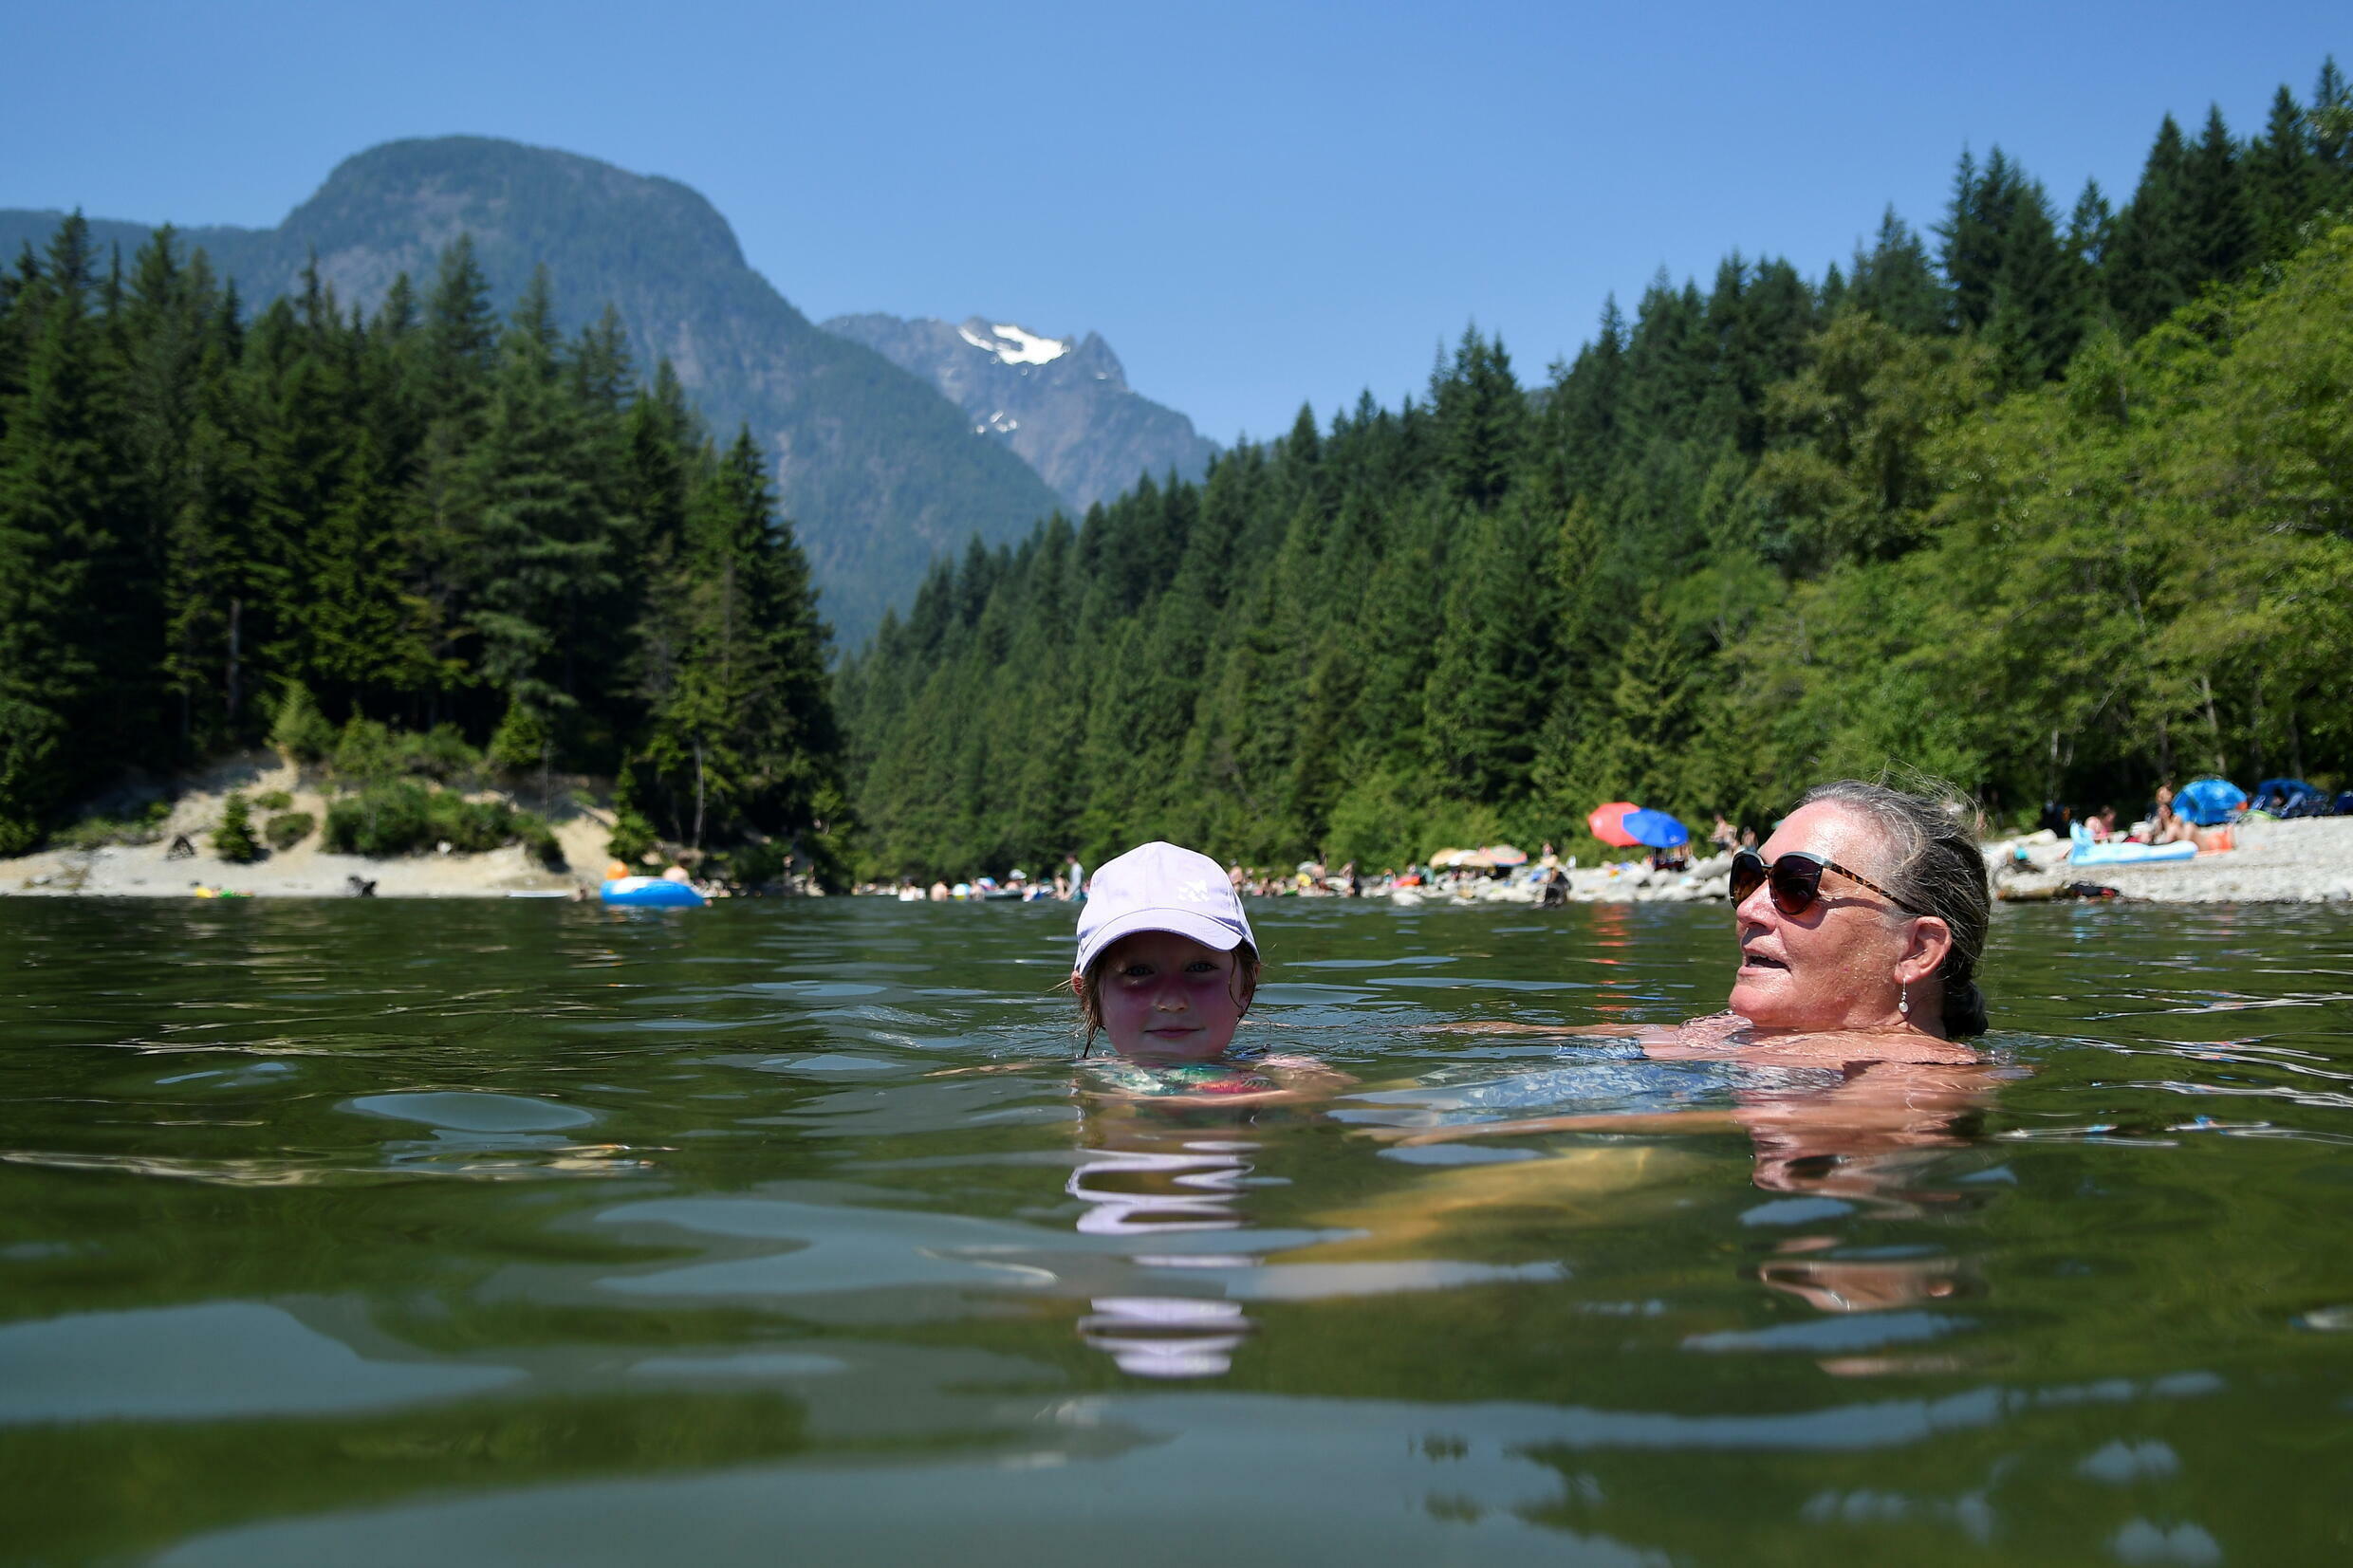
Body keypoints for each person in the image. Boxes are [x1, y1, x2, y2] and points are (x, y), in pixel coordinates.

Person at [1067, 841, 1343, 1106]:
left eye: (1200, 968)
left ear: (1246, 986)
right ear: (1089, 996)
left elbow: (1337, 1098)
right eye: (1138, 972)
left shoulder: (1283, 1072)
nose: (1172, 1001)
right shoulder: (1072, 1079)